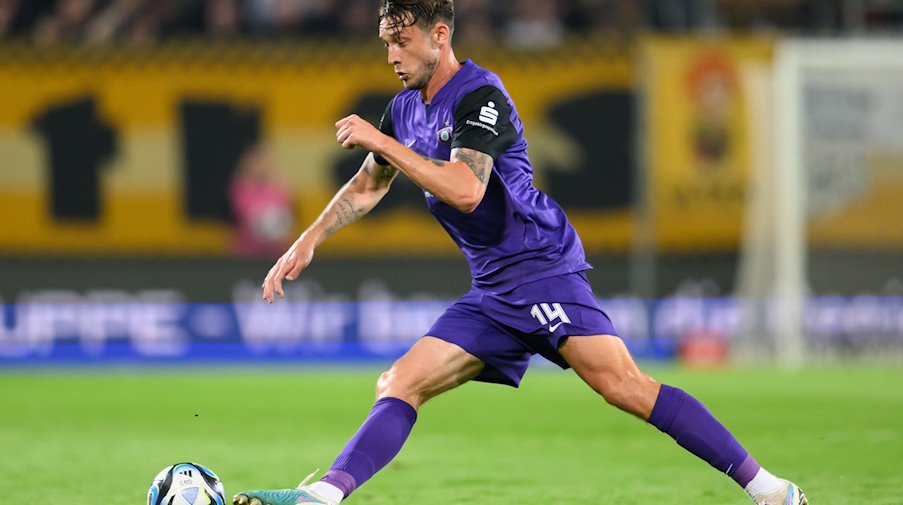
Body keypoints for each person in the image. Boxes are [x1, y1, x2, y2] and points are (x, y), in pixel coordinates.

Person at [234, 1, 808, 505]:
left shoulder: (480, 96)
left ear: (439, 36)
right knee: (400, 382)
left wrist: (380, 140)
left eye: (401, 41)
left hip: (540, 272)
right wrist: (308, 238)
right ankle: (323, 496)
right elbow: (369, 184)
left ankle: (773, 491)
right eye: (385, 42)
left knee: (624, 387)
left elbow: (466, 189)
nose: (391, 55)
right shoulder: (404, 109)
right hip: (491, 292)